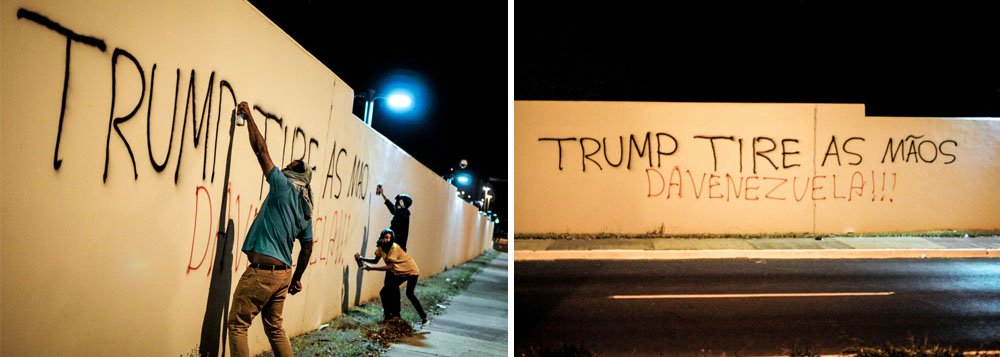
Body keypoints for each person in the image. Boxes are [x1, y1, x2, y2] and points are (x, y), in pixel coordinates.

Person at [228, 102, 314, 357]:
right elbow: (307, 248)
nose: (286, 165)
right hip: (283, 275)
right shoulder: (307, 209)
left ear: (294, 174)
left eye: (291, 164)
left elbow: (261, 151)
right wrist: (296, 277)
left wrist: (249, 117)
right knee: (275, 329)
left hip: (263, 273)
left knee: (237, 325)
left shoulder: (283, 186)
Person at [355, 228, 429, 327]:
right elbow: (375, 260)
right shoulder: (380, 248)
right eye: (386, 237)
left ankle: (424, 318)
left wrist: (371, 269)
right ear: (382, 237)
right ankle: (389, 316)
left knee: (409, 293)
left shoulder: (394, 248)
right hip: (400, 272)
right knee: (384, 292)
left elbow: (390, 267)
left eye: (390, 238)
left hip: (411, 271)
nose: (388, 240)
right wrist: (362, 258)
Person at [377, 184, 413, 251]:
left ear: (401, 203)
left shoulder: (403, 214)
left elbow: (393, 209)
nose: (396, 203)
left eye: (398, 201)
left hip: (395, 247)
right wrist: (382, 194)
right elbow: (393, 208)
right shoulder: (402, 213)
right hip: (395, 246)